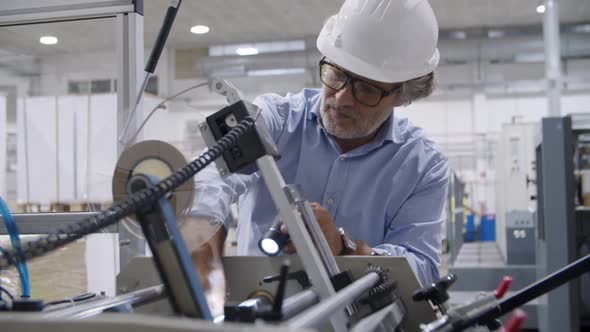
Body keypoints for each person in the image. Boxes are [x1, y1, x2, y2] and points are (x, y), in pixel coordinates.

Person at [181, 0, 447, 313]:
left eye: (367, 89)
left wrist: (343, 247)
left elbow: (422, 268)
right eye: (336, 74)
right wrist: (199, 242)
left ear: (403, 96)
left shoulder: (423, 165)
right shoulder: (276, 119)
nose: (342, 97)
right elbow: (211, 173)